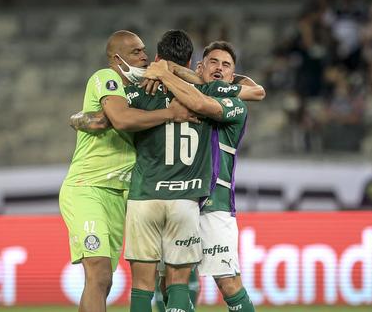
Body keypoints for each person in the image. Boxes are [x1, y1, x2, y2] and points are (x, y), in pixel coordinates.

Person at [59, 30, 195, 312]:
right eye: (136, 52)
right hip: (89, 188)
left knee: (102, 282)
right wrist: (170, 113)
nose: (144, 56)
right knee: (99, 273)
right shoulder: (105, 78)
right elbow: (120, 119)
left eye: (144, 50)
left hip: (122, 195)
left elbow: (103, 119)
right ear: (117, 59)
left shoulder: (140, 91)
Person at [145, 40, 263, 312]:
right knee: (170, 282)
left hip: (215, 205)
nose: (219, 68)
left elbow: (202, 102)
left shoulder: (236, 107)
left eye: (226, 65)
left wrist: (165, 72)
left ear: (233, 77)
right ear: (200, 67)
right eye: (213, 62)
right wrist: (176, 72)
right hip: (179, 199)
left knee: (229, 283)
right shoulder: (183, 94)